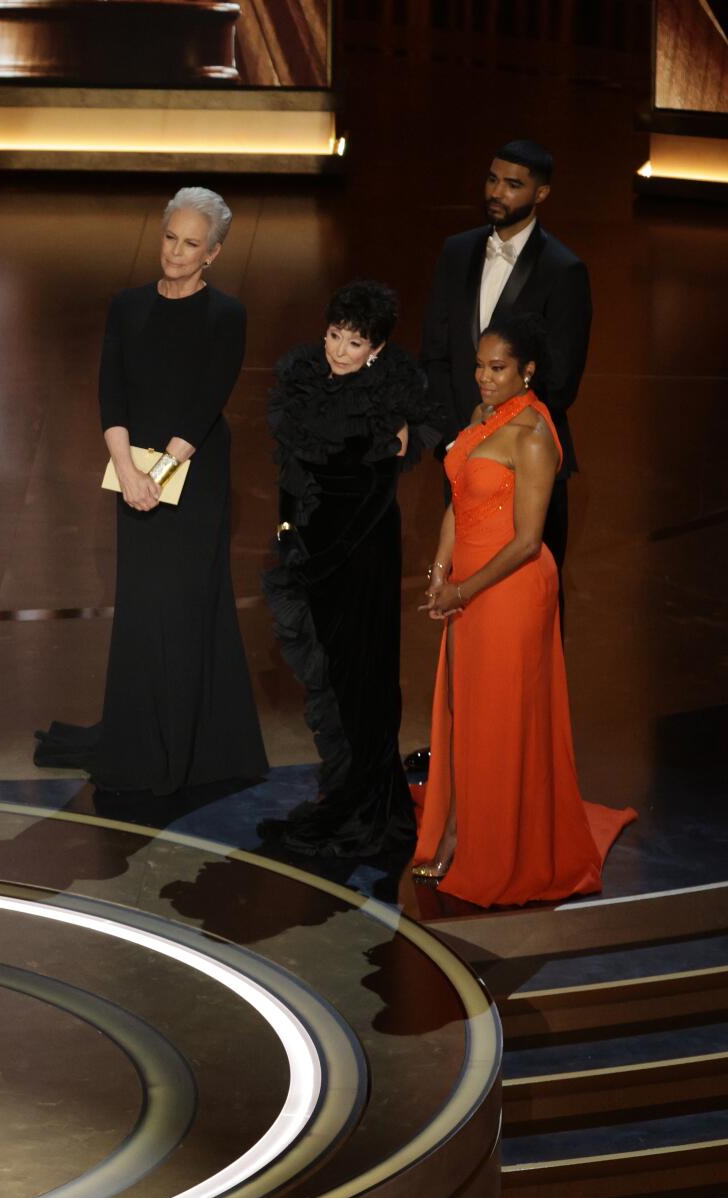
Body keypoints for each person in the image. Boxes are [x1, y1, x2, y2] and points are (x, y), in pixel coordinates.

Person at [34, 186, 269, 794]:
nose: (176, 251)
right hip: (132, 474)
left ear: (212, 254)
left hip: (193, 481)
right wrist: (130, 474)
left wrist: (157, 479)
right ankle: (141, 737)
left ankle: (191, 745)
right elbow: (111, 393)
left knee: (188, 609)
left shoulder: (227, 316)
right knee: (142, 609)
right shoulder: (127, 306)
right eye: (171, 237)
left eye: (191, 244)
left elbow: (202, 410)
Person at [411, 313, 634, 905]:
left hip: (509, 592)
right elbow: (459, 498)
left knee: (500, 717)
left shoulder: (534, 432)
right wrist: (440, 569)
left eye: (497, 368)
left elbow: (528, 541)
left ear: (527, 371)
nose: (483, 378)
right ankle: (463, 820)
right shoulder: (484, 417)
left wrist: (464, 588)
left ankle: (477, 836)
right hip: (467, 584)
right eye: (480, 366)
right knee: (464, 708)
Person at [260, 280, 443, 859]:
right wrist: (289, 533)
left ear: (377, 350)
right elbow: (291, 470)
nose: (340, 350)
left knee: (363, 683)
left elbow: (373, 503)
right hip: (313, 554)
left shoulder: (384, 401)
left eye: (355, 342)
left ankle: (369, 811)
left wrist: (326, 562)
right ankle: (340, 796)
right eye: (336, 335)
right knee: (333, 685)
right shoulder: (306, 379)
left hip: (360, 559)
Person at [420, 139, 591, 575]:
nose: (497, 192)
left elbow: (560, 382)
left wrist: (495, 445)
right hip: (462, 457)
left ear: (541, 194)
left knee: (526, 603)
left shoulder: (563, 271)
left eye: (513, 185)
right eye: (492, 180)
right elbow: (435, 356)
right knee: (463, 595)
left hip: (524, 467)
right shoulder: (456, 252)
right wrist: (454, 443)